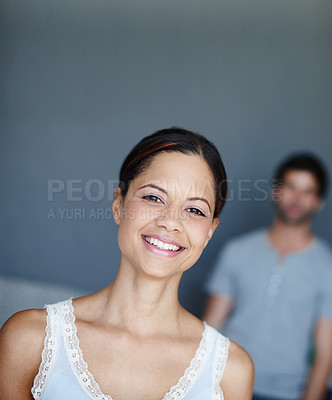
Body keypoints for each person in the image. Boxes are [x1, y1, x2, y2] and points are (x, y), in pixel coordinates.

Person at [0, 128, 254, 400]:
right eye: (154, 197)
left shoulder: (231, 371)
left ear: (210, 231)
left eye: (194, 210)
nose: (170, 221)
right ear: (118, 204)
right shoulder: (29, 339)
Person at [203, 152, 332, 400]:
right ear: (275, 192)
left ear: (318, 202)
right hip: (226, 383)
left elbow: (325, 354)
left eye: (308, 191)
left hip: (286, 392)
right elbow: (211, 328)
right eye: (291, 186)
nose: (297, 197)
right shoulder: (237, 251)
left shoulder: (327, 267)